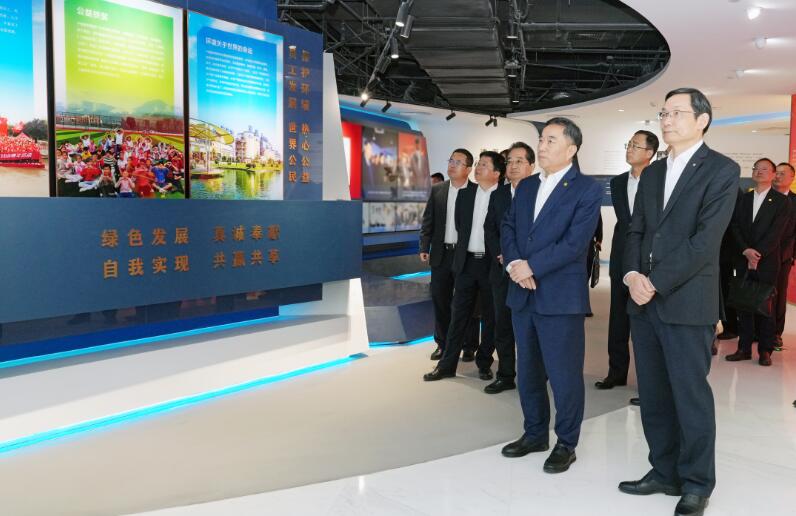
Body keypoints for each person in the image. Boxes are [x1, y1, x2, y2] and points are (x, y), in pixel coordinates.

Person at [619, 88, 739, 516]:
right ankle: (664, 470)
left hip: (688, 302)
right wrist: (632, 275)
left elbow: (705, 242)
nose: (666, 120)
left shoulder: (722, 170)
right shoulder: (652, 172)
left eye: (676, 113)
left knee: (690, 396)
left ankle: (697, 482)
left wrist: (654, 282)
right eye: (663, 113)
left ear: (702, 120)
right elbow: (635, 230)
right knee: (653, 395)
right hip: (644, 302)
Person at [500, 118, 602, 474]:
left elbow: (575, 244)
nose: (541, 146)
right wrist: (515, 263)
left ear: (571, 149)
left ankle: (566, 442)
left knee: (563, 374)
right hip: (522, 292)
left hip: (559, 296)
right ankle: (534, 434)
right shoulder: (527, 185)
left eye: (550, 140)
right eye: (541, 139)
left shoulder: (586, 189)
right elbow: (508, 226)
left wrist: (531, 266)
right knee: (528, 372)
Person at [424, 151, 504, 382]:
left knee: (490, 317)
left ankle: (484, 362)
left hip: (491, 264)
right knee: (458, 313)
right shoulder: (465, 194)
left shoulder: (504, 197)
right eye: (478, 164)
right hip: (466, 263)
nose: (478, 168)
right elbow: (460, 226)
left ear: (497, 173)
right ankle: (447, 364)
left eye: (484, 165)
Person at [596, 130, 658, 391]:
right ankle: (616, 372)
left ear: (650, 153)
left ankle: (649, 384)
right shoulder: (619, 182)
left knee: (646, 323)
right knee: (618, 319)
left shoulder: (659, 179)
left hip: (650, 258)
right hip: (622, 255)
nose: (629, 149)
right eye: (629, 144)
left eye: (635, 145)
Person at [483, 142, 535, 394]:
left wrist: (521, 259)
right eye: (510, 162)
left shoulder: (540, 192)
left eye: (519, 161)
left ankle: (534, 374)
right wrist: (502, 255)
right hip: (502, 269)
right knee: (502, 324)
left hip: (530, 272)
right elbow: (490, 228)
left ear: (531, 166)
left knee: (530, 327)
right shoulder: (499, 194)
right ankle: (505, 375)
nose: (513, 166)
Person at [726, 158, 788, 366]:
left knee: (766, 306)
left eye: (764, 169)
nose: (759, 171)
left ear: (773, 175)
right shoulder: (744, 198)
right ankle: (743, 348)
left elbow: (776, 233)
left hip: (767, 261)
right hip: (743, 259)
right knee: (743, 304)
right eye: (756, 168)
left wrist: (757, 254)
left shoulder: (781, 202)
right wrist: (746, 251)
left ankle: (765, 350)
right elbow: (734, 226)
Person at [420, 149, 475, 360]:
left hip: (466, 255)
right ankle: (442, 344)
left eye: (458, 162)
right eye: (451, 160)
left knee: (467, 301)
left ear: (468, 169)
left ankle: (469, 344)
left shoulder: (476, 192)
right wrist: (424, 246)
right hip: (441, 254)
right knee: (440, 299)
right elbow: (428, 220)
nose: (452, 164)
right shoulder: (438, 190)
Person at [772, 162, 796, 346]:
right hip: (759, 256)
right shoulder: (764, 197)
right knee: (758, 293)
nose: (777, 176)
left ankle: (775, 333)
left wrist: (791, 255)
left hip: (784, 256)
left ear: (792, 177)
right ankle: (756, 330)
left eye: (782, 173)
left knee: (779, 295)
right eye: (776, 173)